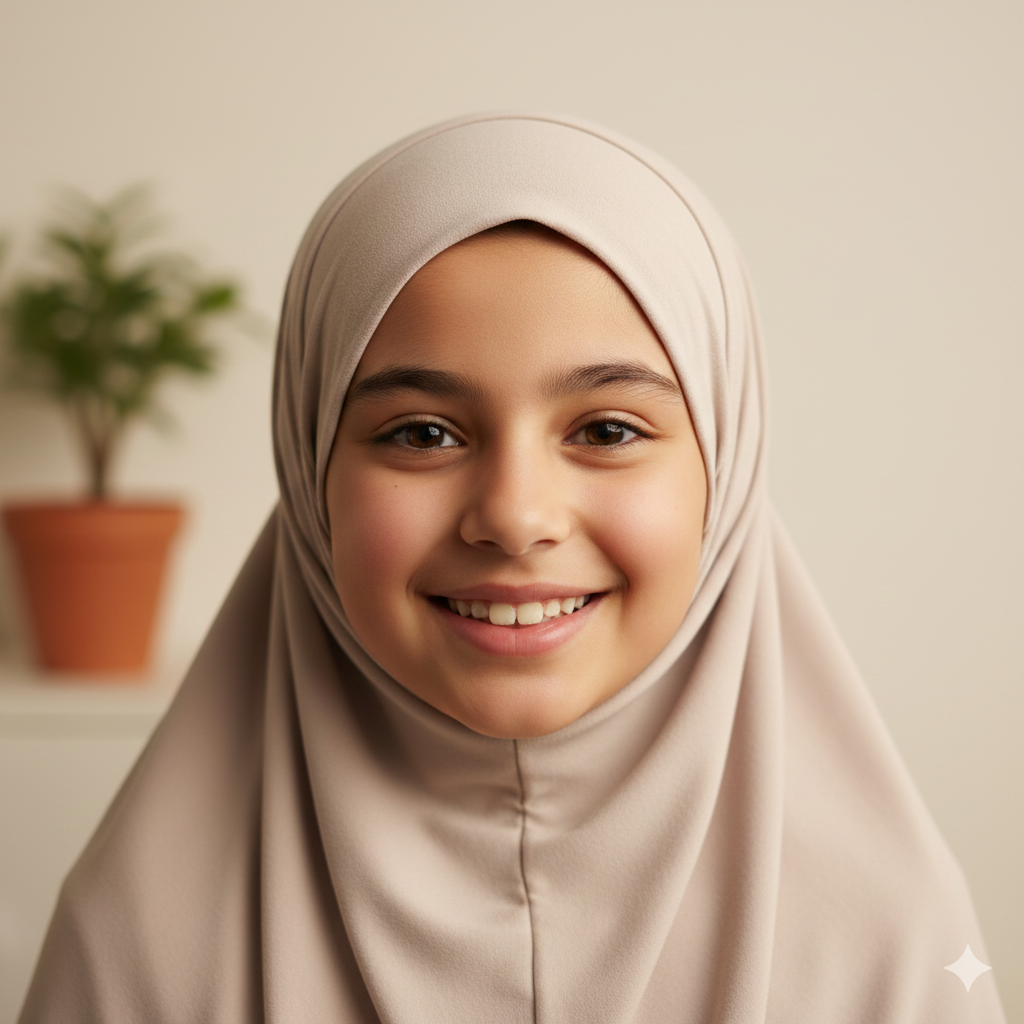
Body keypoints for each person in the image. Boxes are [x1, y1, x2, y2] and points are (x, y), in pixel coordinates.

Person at [18, 113, 1006, 1023]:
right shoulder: (139, 940)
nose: (514, 514)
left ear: (727, 464)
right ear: (309, 460)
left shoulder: (888, 939)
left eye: (608, 428)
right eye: (421, 432)